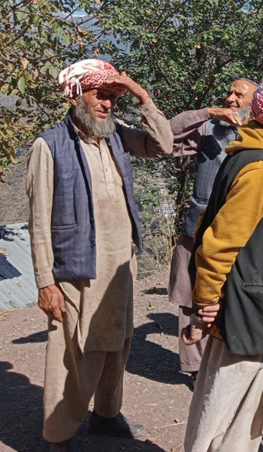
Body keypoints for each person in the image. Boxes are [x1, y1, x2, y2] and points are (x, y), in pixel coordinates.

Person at [26, 59, 173, 451]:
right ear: (76, 95)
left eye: (112, 97)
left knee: (117, 344)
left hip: (119, 265)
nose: (107, 104)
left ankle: (107, 416)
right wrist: (45, 281)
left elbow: (162, 145)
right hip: (76, 271)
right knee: (72, 353)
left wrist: (143, 97)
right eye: (100, 95)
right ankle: (59, 434)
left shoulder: (116, 134)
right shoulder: (49, 145)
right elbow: (39, 219)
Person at [181, 75, 263, 452]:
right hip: (243, 313)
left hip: (248, 309)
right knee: (224, 415)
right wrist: (206, 300)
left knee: (234, 412)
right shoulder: (261, 169)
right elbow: (218, 244)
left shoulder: (256, 156)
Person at [168, 77, 257, 384]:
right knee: (190, 291)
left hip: (239, 231)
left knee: (231, 293)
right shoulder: (209, 129)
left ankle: (228, 359)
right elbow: (168, 133)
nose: (232, 98)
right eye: (229, 92)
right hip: (197, 227)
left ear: (254, 103)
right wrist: (209, 112)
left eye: (240, 95)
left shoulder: (258, 134)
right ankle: (195, 367)